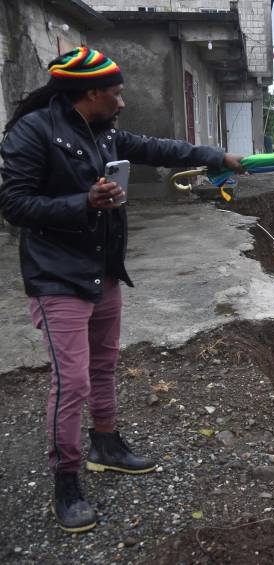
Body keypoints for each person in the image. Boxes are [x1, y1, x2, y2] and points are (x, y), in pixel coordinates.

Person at [0, 47, 244, 533]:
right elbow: (13, 203)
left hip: (102, 268)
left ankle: (105, 444)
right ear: (91, 93)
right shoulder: (33, 132)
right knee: (72, 382)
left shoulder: (104, 130)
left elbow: (159, 148)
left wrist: (219, 156)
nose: (123, 102)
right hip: (57, 276)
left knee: (104, 364)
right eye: (116, 93)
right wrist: (83, 201)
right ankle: (65, 481)